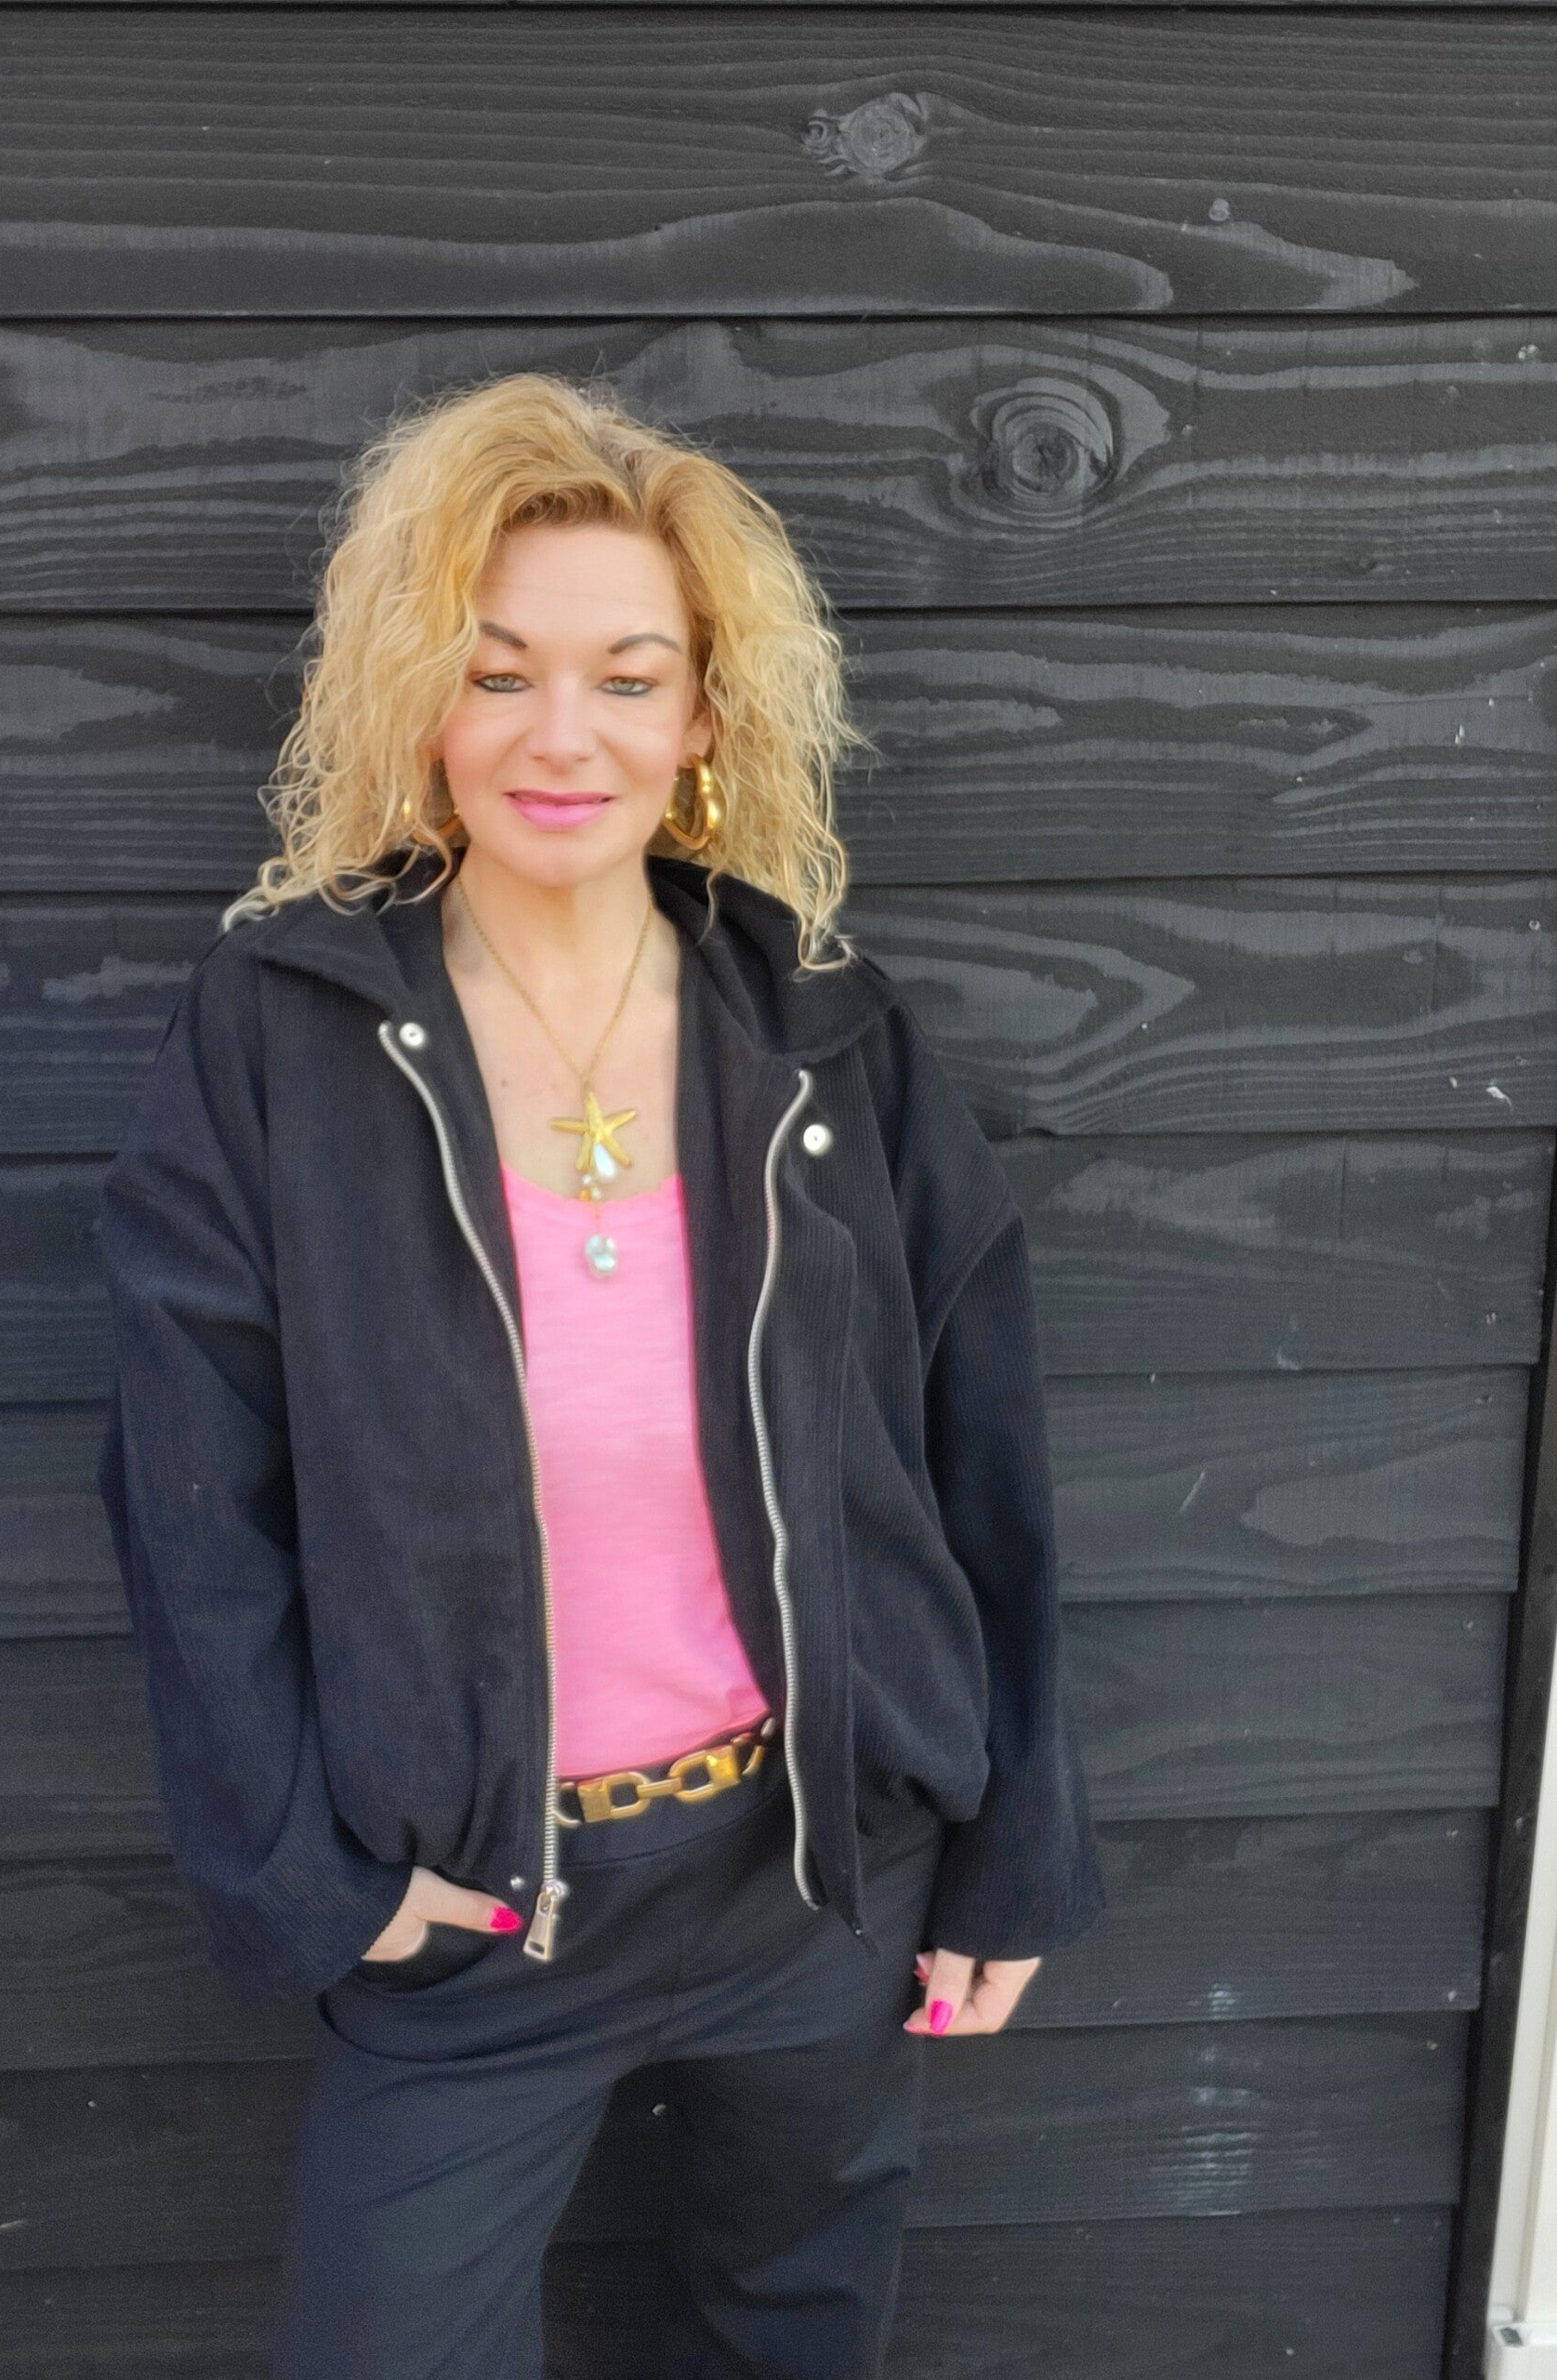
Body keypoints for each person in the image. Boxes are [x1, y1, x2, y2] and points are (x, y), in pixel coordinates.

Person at [94, 372, 1107, 2380]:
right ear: (420, 700)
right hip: (481, 1904)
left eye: (630, 678)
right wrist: (318, 1880)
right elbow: (189, 1488)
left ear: (705, 715)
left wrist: (1011, 1848)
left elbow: (978, 1454)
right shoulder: (284, 1032)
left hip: (812, 1875)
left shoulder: (822, 1028)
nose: (563, 736)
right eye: (499, 672)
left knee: (794, 2334)